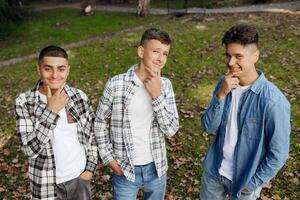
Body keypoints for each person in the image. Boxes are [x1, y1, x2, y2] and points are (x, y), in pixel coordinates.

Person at [200, 25, 290, 199]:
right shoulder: (224, 83)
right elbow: (208, 128)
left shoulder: (272, 101)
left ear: (255, 56)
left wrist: (253, 183)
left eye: (238, 56)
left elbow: (278, 153)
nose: (231, 62)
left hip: (245, 182)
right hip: (214, 171)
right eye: (228, 55)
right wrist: (220, 95)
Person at [94, 28, 179, 200]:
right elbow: (99, 122)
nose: (160, 58)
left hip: (156, 169)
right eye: (155, 51)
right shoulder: (116, 85)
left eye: (165, 53)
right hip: (124, 169)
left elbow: (171, 130)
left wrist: (156, 95)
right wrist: (109, 159)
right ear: (141, 51)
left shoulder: (165, 86)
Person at [15, 45, 98, 200]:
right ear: (38, 69)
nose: (55, 75)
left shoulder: (79, 96)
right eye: (48, 69)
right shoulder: (25, 102)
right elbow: (29, 150)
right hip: (46, 184)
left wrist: (89, 170)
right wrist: (51, 112)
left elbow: (92, 135)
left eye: (61, 69)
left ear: (68, 70)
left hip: (79, 178)